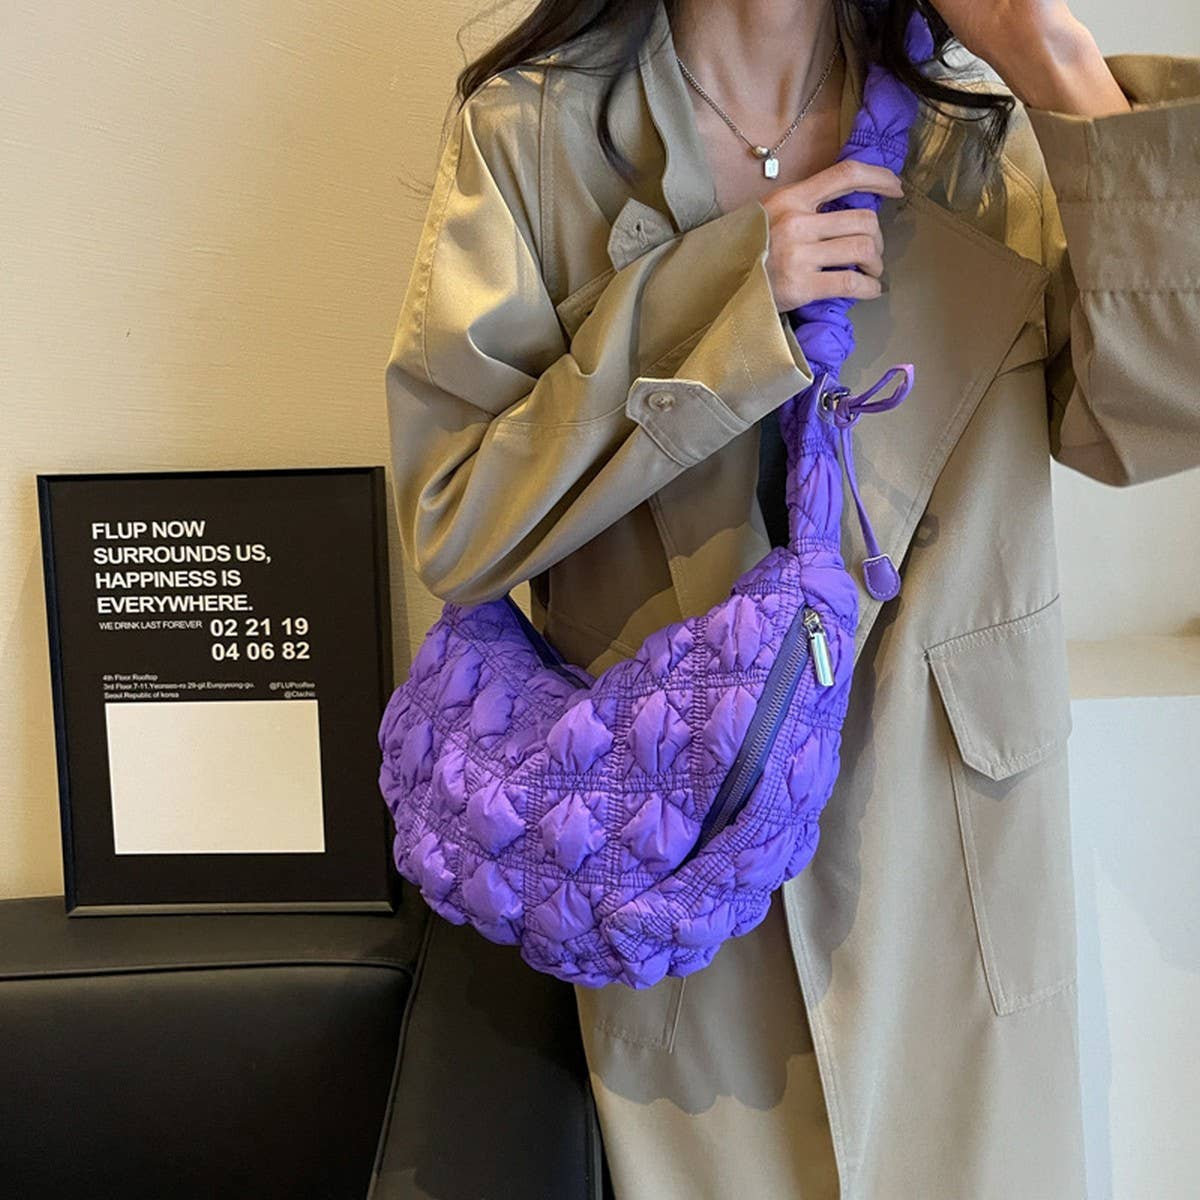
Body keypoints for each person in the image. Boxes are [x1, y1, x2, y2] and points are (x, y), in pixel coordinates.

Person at [383, 1, 1200, 1195]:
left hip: (952, 882)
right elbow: (454, 517)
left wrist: (1053, 58)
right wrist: (721, 301)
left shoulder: (972, 132)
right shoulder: (536, 136)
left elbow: (1161, 409)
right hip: (679, 879)